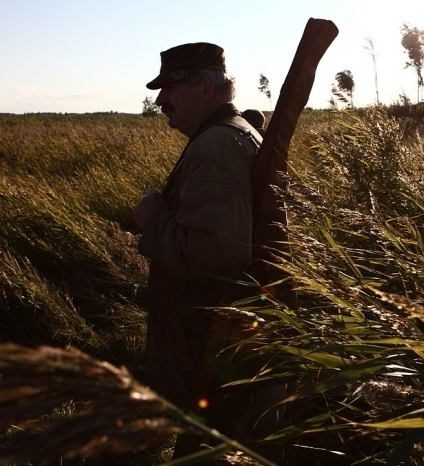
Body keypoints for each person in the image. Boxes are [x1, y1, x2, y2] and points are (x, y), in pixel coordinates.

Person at [133, 42, 282, 458]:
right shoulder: (234, 133)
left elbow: (214, 253)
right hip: (223, 345)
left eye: (170, 86)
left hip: (211, 354)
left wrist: (152, 219)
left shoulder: (216, 144)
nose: (160, 98)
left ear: (204, 87)